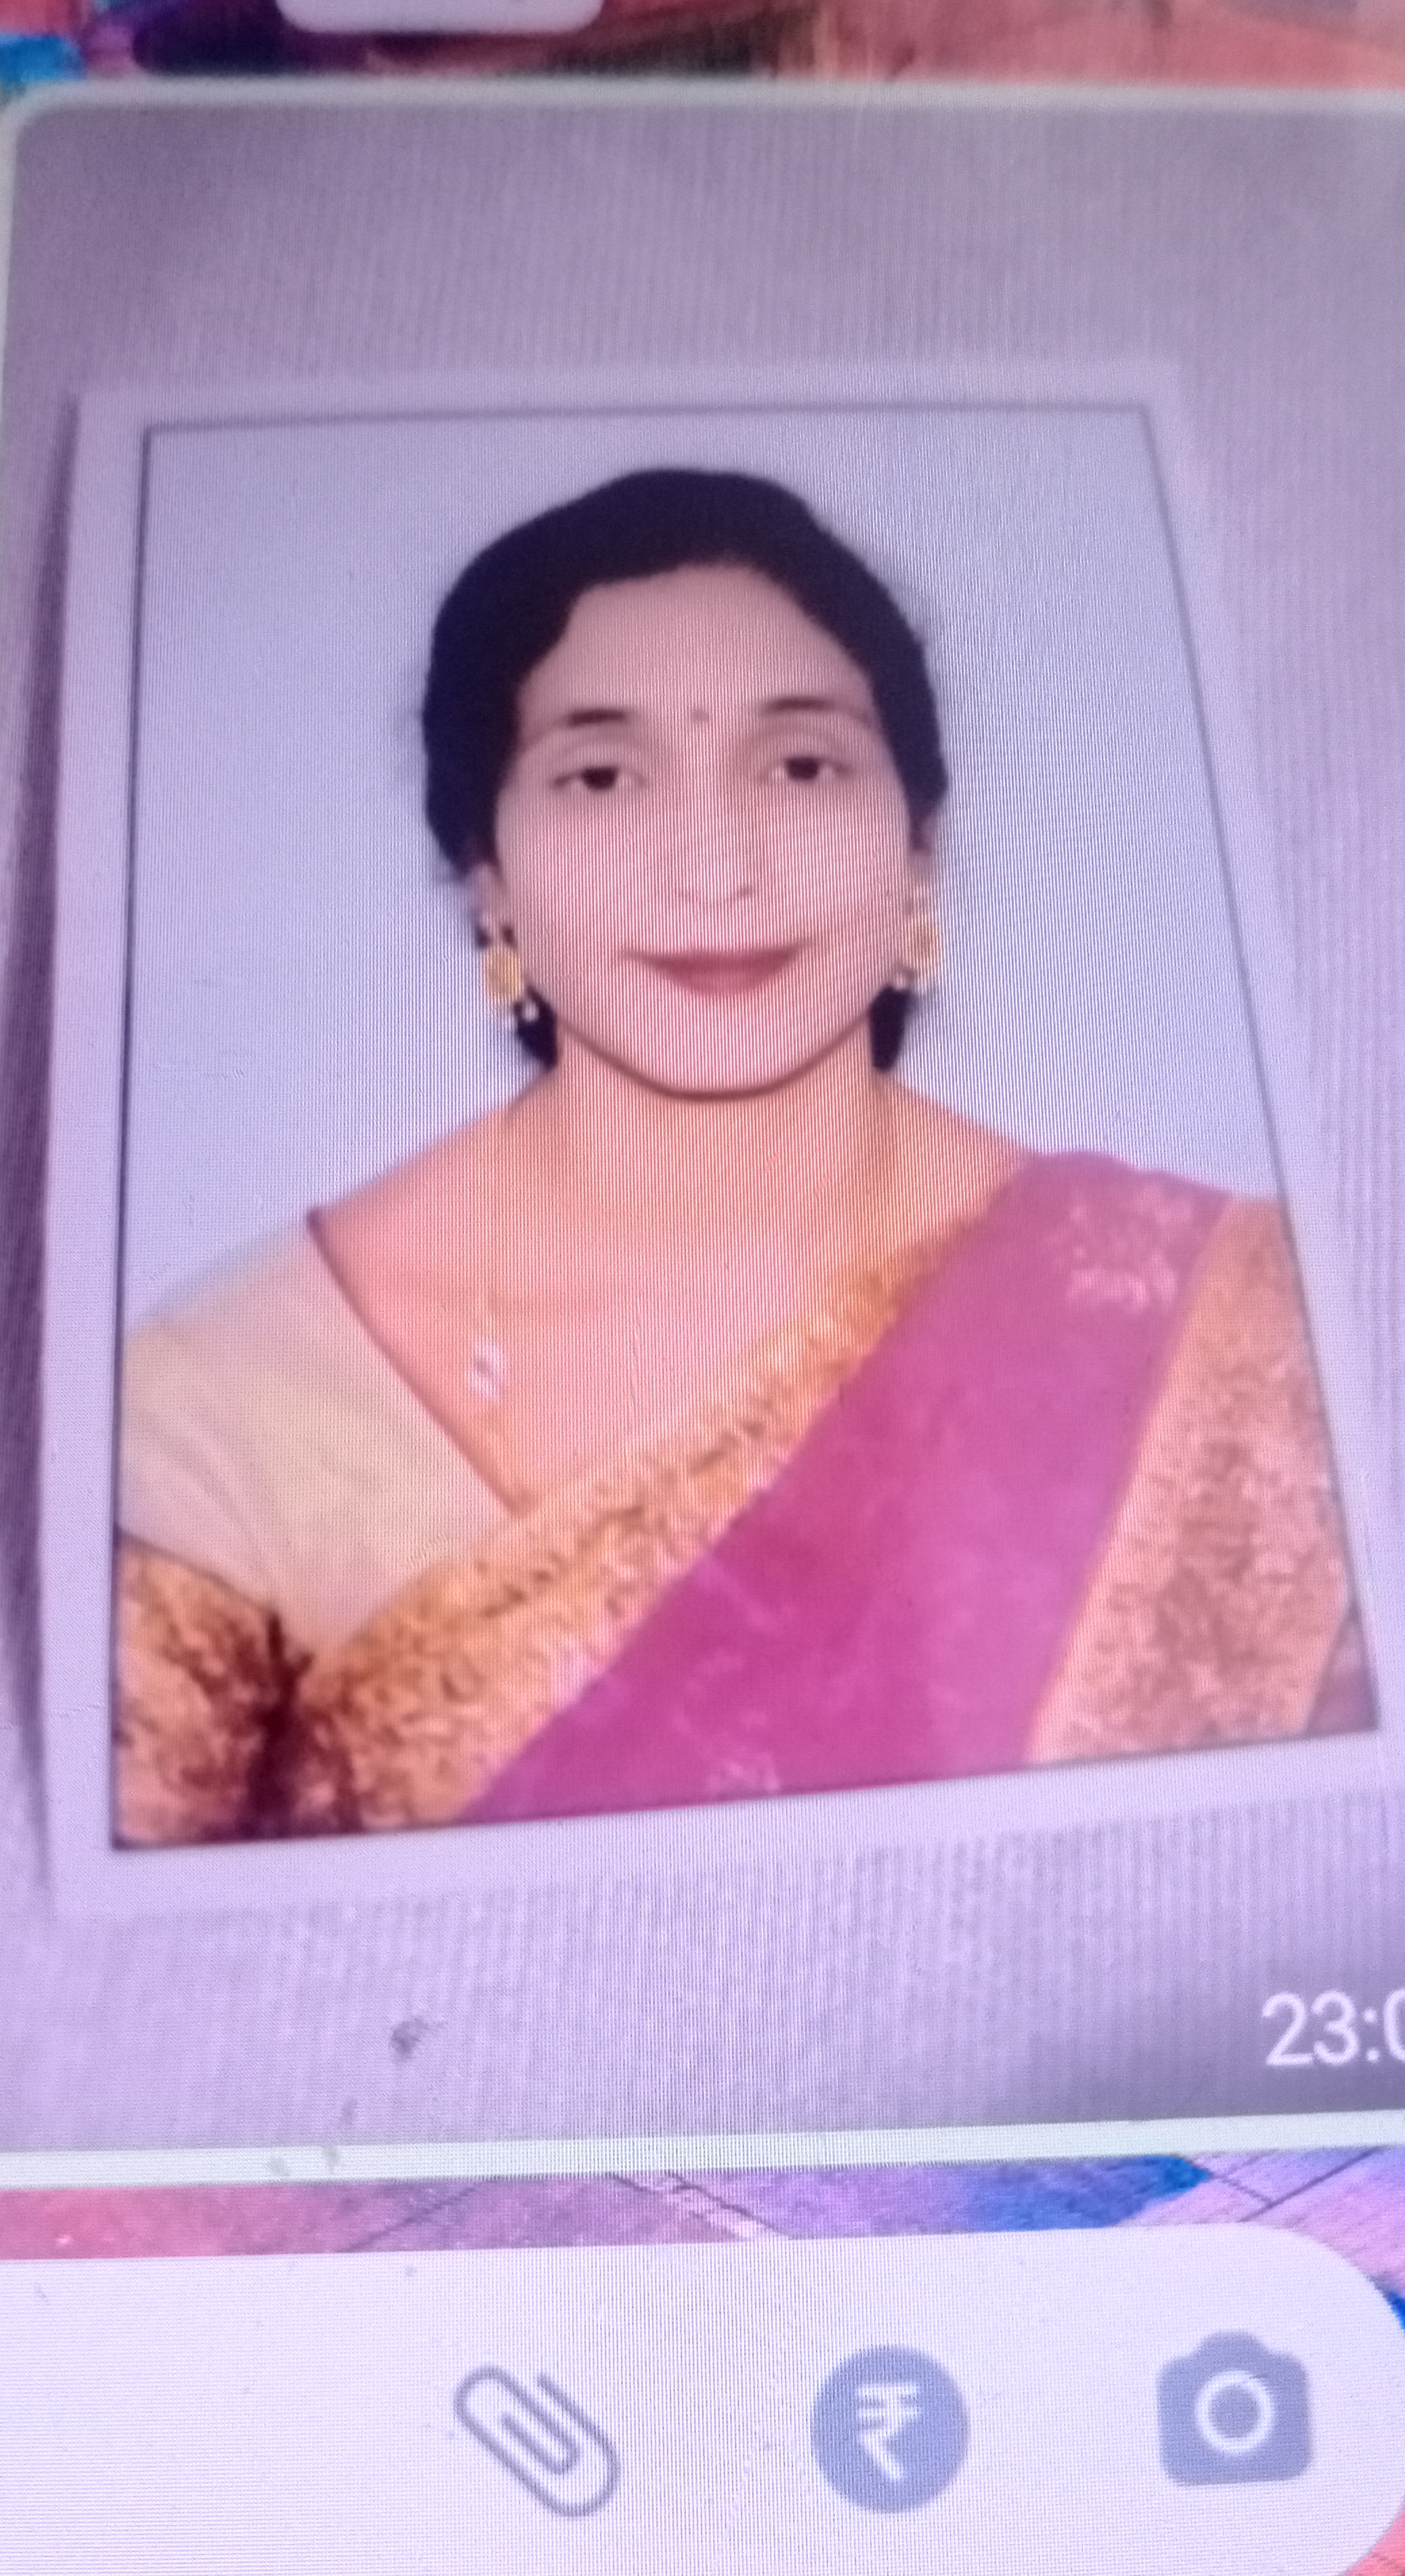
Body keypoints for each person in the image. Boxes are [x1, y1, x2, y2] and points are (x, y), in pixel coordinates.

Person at [114, 468, 1368, 1849]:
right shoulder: (230, 1411)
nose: (714, 868)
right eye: (601, 777)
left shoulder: (1247, 1331)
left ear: (917, 850)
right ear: (488, 877)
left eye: (800, 766)